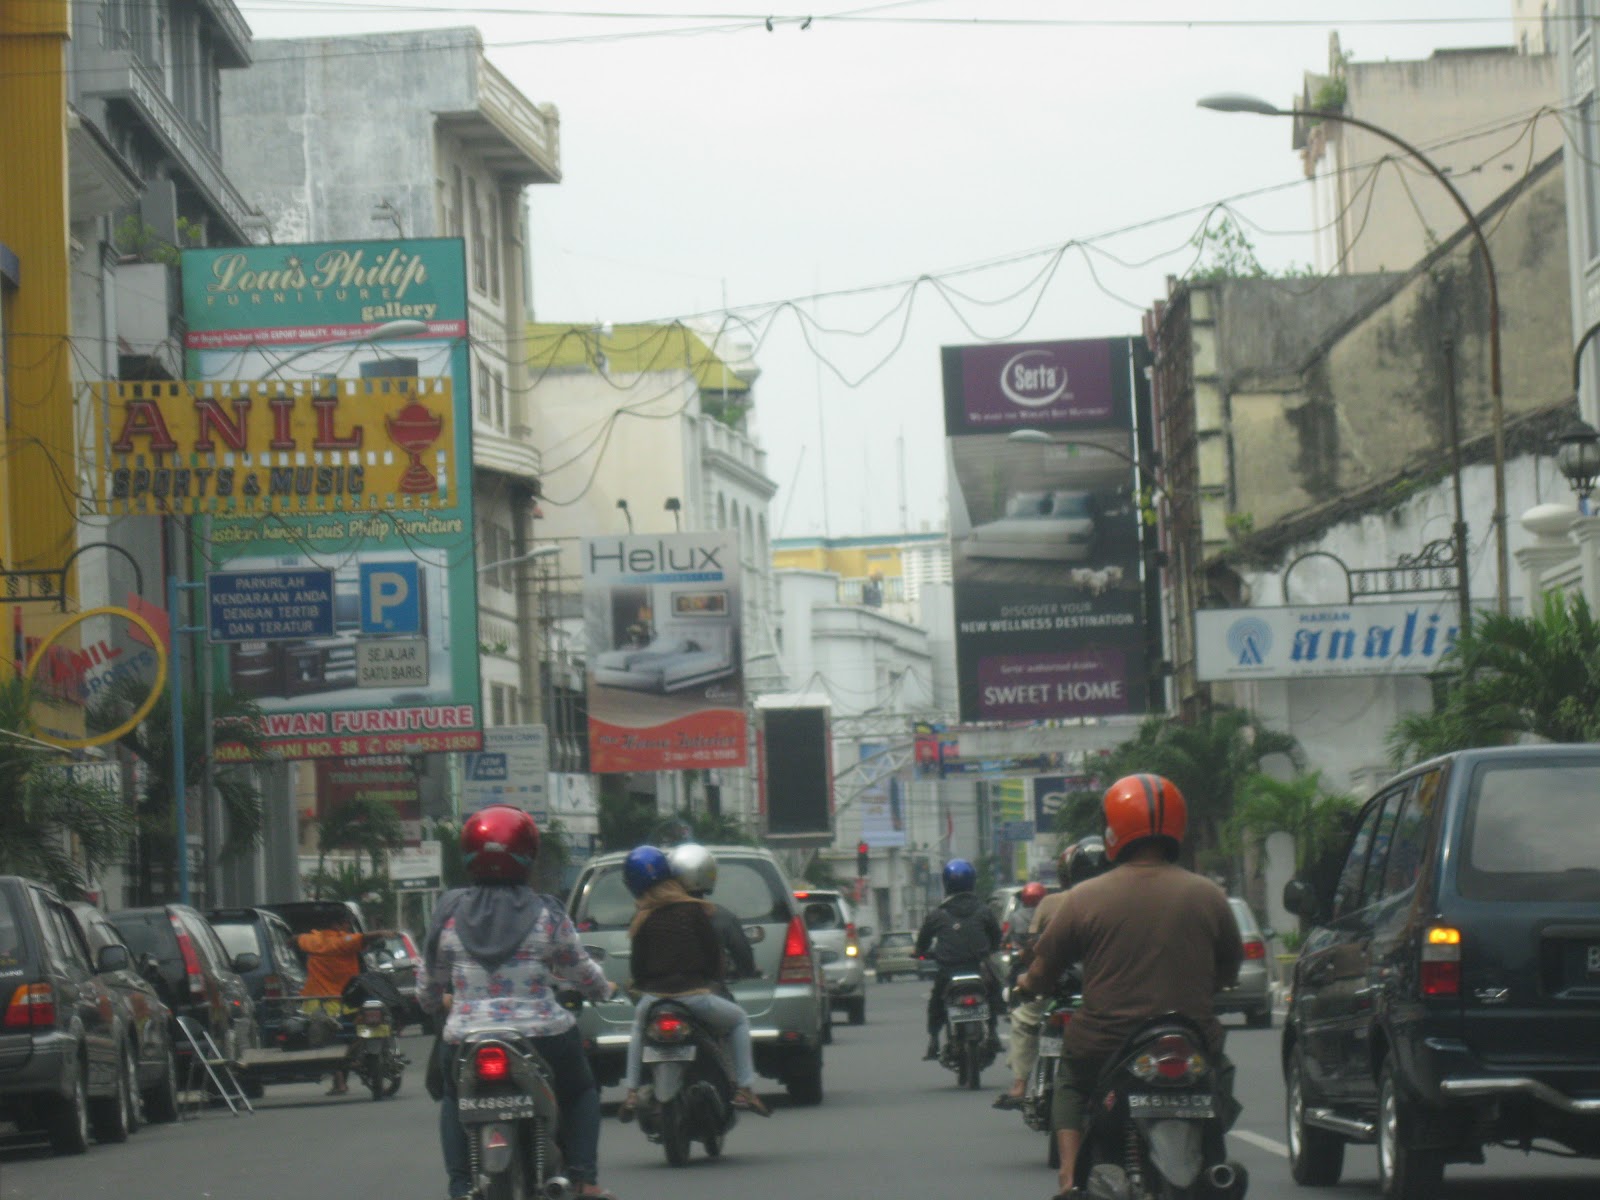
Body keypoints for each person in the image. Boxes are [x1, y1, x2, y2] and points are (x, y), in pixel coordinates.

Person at [1020, 775, 1242, 1200]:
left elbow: (1044, 969)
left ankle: (1069, 1178)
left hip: (1105, 1044)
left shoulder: (1083, 898)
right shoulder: (1208, 894)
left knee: (1070, 1082)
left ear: (1112, 831)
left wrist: (1027, 986)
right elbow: (1229, 969)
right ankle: (1213, 1161)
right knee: (1221, 1073)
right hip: (1191, 1041)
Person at [418, 805, 618, 1200]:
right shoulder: (547, 913)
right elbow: (580, 970)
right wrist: (602, 990)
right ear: (529, 856)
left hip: (466, 1039)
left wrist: (434, 1002)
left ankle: (460, 1187)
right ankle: (583, 1177)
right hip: (542, 1036)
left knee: (453, 1098)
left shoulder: (449, 914)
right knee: (581, 1091)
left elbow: (429, 985)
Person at [617, 845, 770, 1121]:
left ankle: (630, 1092)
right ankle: (745, 1088)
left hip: (655, 999)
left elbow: (637, 969)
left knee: (638, 1029)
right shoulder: (696, 911)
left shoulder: (642, 918)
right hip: (695, 997)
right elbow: (712, 956)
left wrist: (645, 985)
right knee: (738, 1020)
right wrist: (709, 979)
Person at [994, 840, 1112, 1110]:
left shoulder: (1054, 903)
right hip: (1107, 989)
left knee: (1024, 1020)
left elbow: (1036, 950)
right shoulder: (1122, 901)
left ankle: (1020, 1085)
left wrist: (1027, 977)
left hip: (1060, 984)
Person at [297, 910, 398, 1095]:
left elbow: (297, 939)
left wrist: (291, 941)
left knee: (328, 1041)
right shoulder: (344, 941)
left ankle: (339, 1082)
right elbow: (363, 938)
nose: (349, 928)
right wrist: (381, 932)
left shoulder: (311, 940)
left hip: (318, 1003)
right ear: (337, 925)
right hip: (346, 1000)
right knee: (356, 1032)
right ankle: (347, 1070)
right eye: (347, 924)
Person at [914, 858, 1002, 1062]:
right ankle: (993, 1033)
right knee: (993, 992)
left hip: (949, 971)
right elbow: (996, 938)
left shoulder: (938, 914)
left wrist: (920, 952)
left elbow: (922, 942)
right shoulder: (984, 911)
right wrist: (989, 950)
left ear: (946, 883)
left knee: (936, 1001)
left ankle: (934, 1041)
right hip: (978, 969)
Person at [666, 842, 757, 986]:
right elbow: (745, 961)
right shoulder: (722, 917)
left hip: (662, 993)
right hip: (707, 992)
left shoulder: (653, 916)